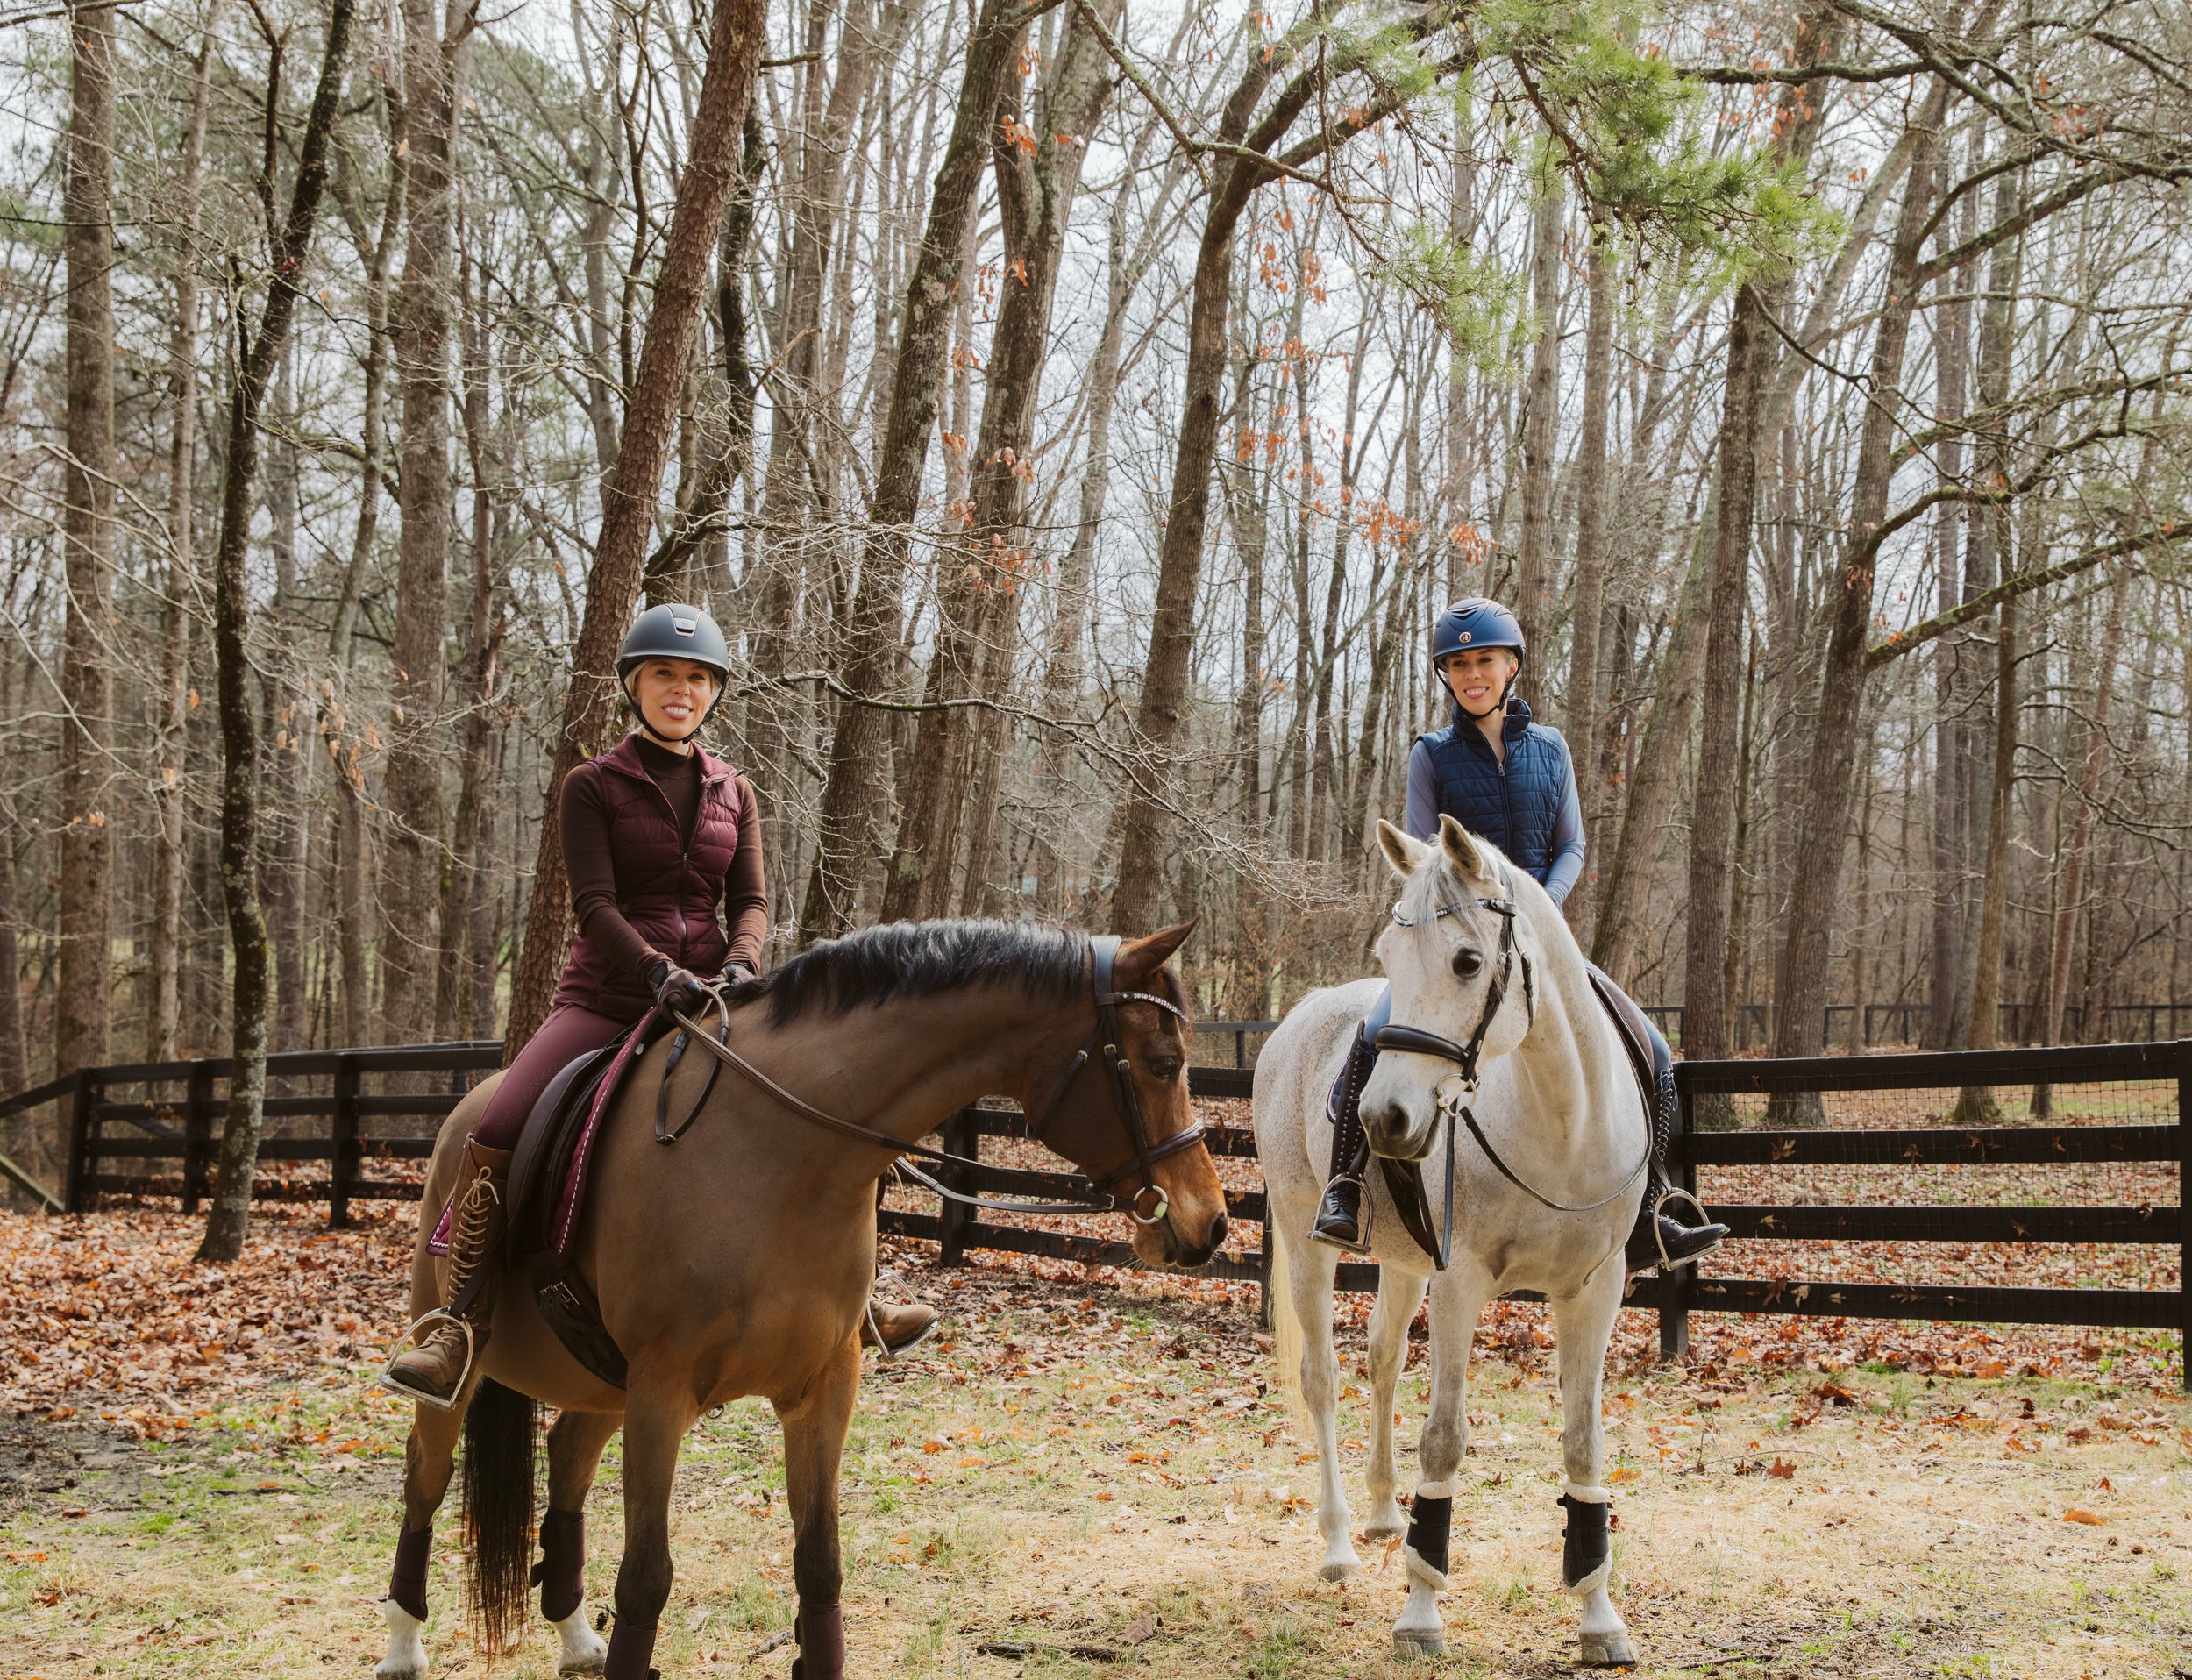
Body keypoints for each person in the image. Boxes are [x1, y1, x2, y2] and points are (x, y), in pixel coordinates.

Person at [381, 605, 936, 1409]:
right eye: (666, 675)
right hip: (607, 997)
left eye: (698, 678)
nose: (683, 690)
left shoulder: (733, 789)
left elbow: (751, 898)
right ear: (634, 686)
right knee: (498, 1126)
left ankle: (860, 1303)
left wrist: (743, 961)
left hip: (718, 997)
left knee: (828, 1102)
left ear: (713, 693)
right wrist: (653, 970)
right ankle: (458, 1323)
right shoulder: (592, 786)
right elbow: (596, 905)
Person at [1312, 596, 1727, 1273]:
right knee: (1374, 1030)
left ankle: (1657, 1202)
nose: (1473, 674)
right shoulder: (1433, 754)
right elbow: (1425, 854)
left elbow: (1572, 845)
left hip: (1543, 945)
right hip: (1458, 948)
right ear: (1448, 676)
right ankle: (1346, 1188)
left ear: (1512, 667)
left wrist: (1541, 910)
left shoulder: (1550, 748)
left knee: (1650, 1045)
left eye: (1485, 660)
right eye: (1460, 665)